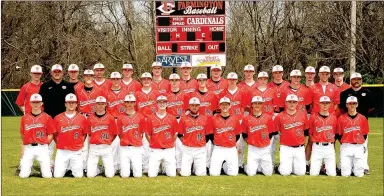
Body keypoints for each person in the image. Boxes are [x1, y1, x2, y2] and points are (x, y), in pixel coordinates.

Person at [39, 64, 75, 170]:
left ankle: (68, 167)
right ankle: (48, 166)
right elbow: (41, 103)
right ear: (51, 73)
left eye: (59, 71)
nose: (57, 73)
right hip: (49, 120)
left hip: (64, 120)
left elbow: (72, 104)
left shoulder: (68, 86)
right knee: (48, 145)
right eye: (55, 71)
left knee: (65, 143)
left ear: (62, 73)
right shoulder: (45, 86)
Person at [339, 72, 374, 175]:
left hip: (362, 123)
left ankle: (364, 166)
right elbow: (342, 108)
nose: (357, 81)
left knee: (363, 145)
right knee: (345, 145)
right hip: (347, 123)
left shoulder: (367, 93)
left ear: (361, 80)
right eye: (354, 79)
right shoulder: (345, 93)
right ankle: (342, 166)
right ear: (351, 81)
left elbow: (371, 108)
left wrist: (361, 117)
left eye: (359, 79)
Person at [308, 66, 340, 172]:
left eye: (326, 74)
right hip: (315, 117)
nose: (324, 75)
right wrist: (316, 114)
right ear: (319, 74)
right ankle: (307, 163)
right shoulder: (313, 87)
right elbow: (310, 103)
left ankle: (327, 165)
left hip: (329, 117)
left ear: (329, 75)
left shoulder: (334, 87)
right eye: (323, 73)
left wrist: (329, 114)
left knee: (331, 140)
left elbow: (336, 103)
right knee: (311, 140)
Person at [217, 72, 249, 172]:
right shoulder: (223, 93)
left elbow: (245, 108)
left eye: (234, 79)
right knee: (225, 142)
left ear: (237, 80)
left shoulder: (242, 92)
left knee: (239, 144)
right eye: (230, 79)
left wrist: (243, 120)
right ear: (227, 80)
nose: (232, 81)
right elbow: (219, 108)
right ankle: (224, 164)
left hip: (238, 120)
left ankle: (239, 164)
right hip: (226, 120)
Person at [19, 94, 55, 178]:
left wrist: (45, 143)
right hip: (29, 148)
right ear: (30, 103)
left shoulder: (47, 117)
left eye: (38, 102)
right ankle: (28, 168)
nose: (36, 104)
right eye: (34, 102)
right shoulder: (25, 118)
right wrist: (27, 143)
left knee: (47, 176)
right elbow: (22, 134)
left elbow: (51, 134)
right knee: (23, 175)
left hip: (42, 147)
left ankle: (52, 164)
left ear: (41, 103)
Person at [15, 65, 43, 174]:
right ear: (31, 74)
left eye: (38, 73)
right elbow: (19, 102)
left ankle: (45, 164)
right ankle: (23, 165)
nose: (36, 75)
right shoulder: (25, 87)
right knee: (25, 141)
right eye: (34, 73)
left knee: (42, 140)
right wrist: (25, 111)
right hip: (29, 118)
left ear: (41, 74)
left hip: (42, 117)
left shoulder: (44, 86)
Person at [53, 93, 88, 178]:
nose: (71, 104)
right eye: (69, 102)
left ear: (76, 104)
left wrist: (77, 144)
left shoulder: (82, 118)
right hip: (62, 151)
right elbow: (55, 135)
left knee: (78, 176)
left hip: (76, 151)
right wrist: (61, 143)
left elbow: (84, 134)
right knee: (57, 176)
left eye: (73, 102)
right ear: (65, 104)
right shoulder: (57, 118)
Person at [190, 73, 218, 173]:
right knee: (197, 145)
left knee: (209, 146)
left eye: (204, 80)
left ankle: (207, 165)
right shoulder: (193, 94)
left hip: (209, 123)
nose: (202, 82)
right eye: (200, 80)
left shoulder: (212, 94)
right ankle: (195, 166)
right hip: (197, 124)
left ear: (207, 81)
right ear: (197, 82)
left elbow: (215, 111)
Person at [275, 94, 309, 176]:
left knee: (300, 173)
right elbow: (277, 131)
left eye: (294, 102)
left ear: (297, 103)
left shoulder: (303, 115)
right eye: (289, 102)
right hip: (286, 147)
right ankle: (279, 167)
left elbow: (305, 131)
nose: (292, 104)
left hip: (299, 148)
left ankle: (291, 165)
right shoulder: (280, 116)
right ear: (286, 103)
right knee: (285, 173)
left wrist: (301, 142)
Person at [242, 96, 276, 176]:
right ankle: (247, 166)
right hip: (253, 149)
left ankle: (259, 165)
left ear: (262, 105)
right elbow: (244, 135)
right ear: (252, 105)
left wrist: (264, 142)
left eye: (259, 103)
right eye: (255, 103)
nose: (257, 105)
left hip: (265, 148)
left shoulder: (268, 117)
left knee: (268, 173)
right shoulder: (246, 118)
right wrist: (251, 143)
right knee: (250, 173)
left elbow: (271, 134)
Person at [145, 95, 179, 177]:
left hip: (169, 150)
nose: (162, 104)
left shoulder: (172, 118)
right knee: (151, 175)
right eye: (160, 102)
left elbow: (175, 134)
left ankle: (164, 167)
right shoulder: (150, 118)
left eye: (164, 102)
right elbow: (147, 134)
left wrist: (169, 142)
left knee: (172, 175)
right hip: (156, 150)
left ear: (167, 104)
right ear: (156, 104)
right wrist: (154, 143)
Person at [208, 97, 242, 176]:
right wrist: (217, 142)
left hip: (231, 149)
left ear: (230, 106)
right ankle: (220, 165)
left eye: (226, 105)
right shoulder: (214, 119)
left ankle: (224, 166)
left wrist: (231, 142)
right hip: (218, 148)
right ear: (219, 106)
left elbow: (237, 135)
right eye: (223, 105)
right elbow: (210, 134)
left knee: (233, 174)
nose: (224, 107)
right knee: (213, 174)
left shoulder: (235, 118)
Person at [179, 97, 212, 176]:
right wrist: (185, 141)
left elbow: (208, 134)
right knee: (184, 174)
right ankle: (189, 168)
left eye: (196, 105)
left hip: (200, 149)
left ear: (199, 106)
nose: (194, 107)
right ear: (189, 106)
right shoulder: (183, 119)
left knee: (201, 174)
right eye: (192, 105)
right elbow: (180, 134)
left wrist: (201, 142)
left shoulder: (205, 118)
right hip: (188, 149)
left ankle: (195, 168)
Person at [337, 96, 369, 177]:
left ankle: (355, 168)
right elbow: (339, 135)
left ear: (357, 104)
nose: (352, 105)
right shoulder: (341, 118)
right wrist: (345, 142)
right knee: (345, 174)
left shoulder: (363, 118)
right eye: (350, 104)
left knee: (359, 174)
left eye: (354, 103)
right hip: (346, 146)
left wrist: (359, 143)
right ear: (347, 105)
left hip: (358, 146)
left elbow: (365, 134)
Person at [86, 96, 118, 178]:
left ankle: (105, 168)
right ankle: (99, 169)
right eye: (98, 104)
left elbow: (114, 133)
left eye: (102, 104)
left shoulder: (110, 118)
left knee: (110, 175)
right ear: (95, 105)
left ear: (105, 105)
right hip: (94, 147)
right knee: (90, 175)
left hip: (106, 147)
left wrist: (108, 141)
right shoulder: (90, 118)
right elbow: (89, 133)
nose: (100, 106)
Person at [117, 94, 146, 178]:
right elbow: (119, 133)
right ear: (124, 103)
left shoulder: (140, 117)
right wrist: (125, 140)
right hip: (124, 147)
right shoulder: (120, 117)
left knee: (138, 175)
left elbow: (142, 132)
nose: (130, 104)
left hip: (136, 147)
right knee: (124, 175)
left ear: (135, 103)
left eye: (132, 102)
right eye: (128, 102)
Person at [135, 72, 160, 173]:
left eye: (148, 79)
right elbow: (134, 109)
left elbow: (161, 108)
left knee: (155, 143)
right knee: (144, 145)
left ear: (151, 80)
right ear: (141, 80)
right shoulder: (137, 94)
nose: (146, 81)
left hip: (154, 121)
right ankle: (145, 166)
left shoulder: (156, 93)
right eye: (144, 79)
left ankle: (156, 166)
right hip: (142, 121)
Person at [308, 96, 337, 176]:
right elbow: (310, 133)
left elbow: (335, 133)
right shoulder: (313, 117)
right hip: (317, 147)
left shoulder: (334, 118)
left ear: (330, 104)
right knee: (313, 174)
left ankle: (326, 169)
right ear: (319, 104)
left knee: (332, 174)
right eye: (323, 103)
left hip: (329, 148)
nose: (325, 105)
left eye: (327, 103)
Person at [166, 73, 189, 174]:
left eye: (176, 80)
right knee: (170, 143)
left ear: (180, 82)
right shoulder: (166, 95)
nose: (174, 82)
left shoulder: (185, 94)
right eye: (172, 80)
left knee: (180, 144)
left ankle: (179, 166)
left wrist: (183, 119)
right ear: (169, 82)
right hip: (170, 120)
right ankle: (169, 166)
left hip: (181, 119)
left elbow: (188, 110)